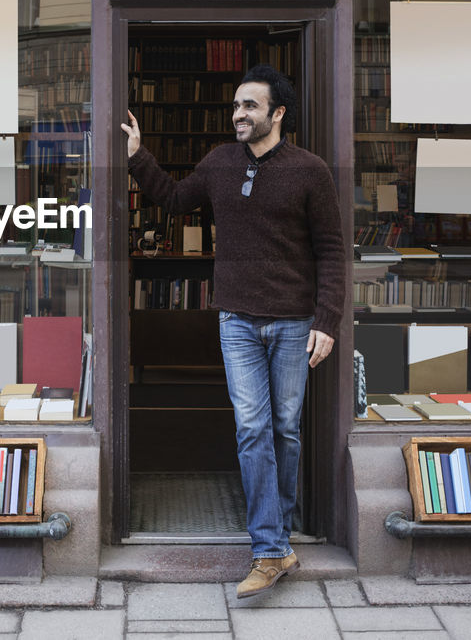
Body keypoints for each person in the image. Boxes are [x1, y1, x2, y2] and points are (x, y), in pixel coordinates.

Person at [121, 64, 346, 598]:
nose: (238, 114)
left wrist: (328, 321)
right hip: (237, 320)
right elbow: (175, 200)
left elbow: (333, 252)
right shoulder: (220, 162)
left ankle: (279, 536)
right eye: (236, 105)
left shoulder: (310, 171)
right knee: (252, 428)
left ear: (278, 113)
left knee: (285, 430)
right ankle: (269, 549)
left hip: (294, 323)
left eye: (250, 106)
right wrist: (138, 156)